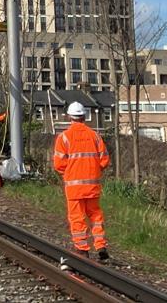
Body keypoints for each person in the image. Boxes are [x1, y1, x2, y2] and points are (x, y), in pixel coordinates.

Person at [53, 101, 110, 261]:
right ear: (84, 116)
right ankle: (100, 245)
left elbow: (59, 164)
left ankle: (82, 249)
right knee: (95, 215)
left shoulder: (64, 138)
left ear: (69, 117)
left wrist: (70, 172)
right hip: (92, 185)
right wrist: (93, 170)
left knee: (77, 218)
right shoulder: (95, 136)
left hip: (73, 187)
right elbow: (104, 160)